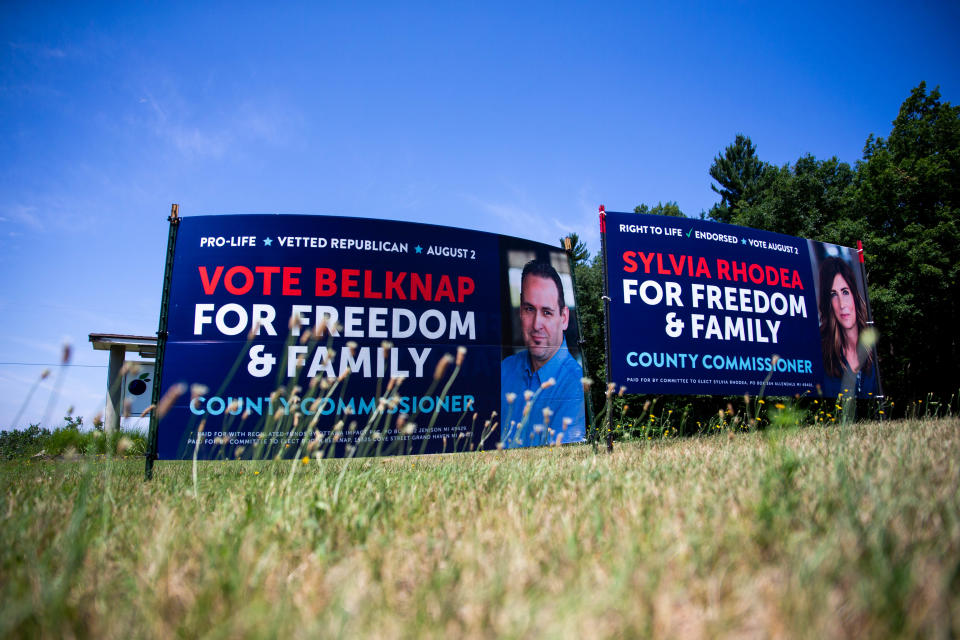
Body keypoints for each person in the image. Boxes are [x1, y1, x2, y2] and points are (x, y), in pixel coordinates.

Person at [500, 260, 586, 447]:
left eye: (547, 312)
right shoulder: (504, 369)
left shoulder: (576, 384)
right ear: (520, 311)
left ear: (563, 319)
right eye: (529, 309)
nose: (536, 324)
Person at [818, 257, 878, 398]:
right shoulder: (823, 352)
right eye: (833, 295)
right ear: (828, 303)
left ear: (855, 295)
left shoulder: (872, 348)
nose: (842, 304)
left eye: (845, 292)